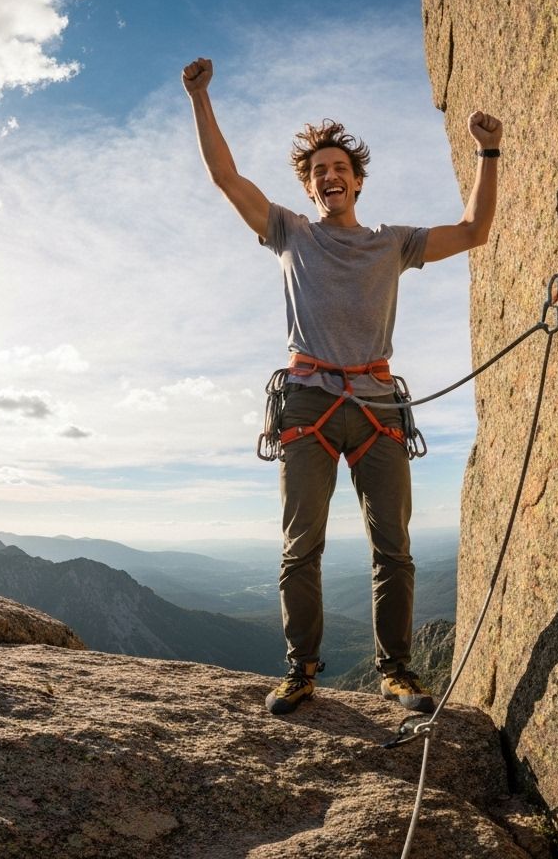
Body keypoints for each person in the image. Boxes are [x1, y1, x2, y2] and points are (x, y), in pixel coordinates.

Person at [181, 56, 501, 716]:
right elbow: (225, 177)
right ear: (309, 188)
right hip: (309, 402)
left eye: (339, 169)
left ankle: (397, 672)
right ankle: (301, 669)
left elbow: (475, 231)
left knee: (395, 550)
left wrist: (488, 153)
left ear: (357, 180)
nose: (330, 176)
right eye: (318, 171)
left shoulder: (393, 242)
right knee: (302, 546)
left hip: (379, 405)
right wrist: (200, 98)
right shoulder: (289, 233)